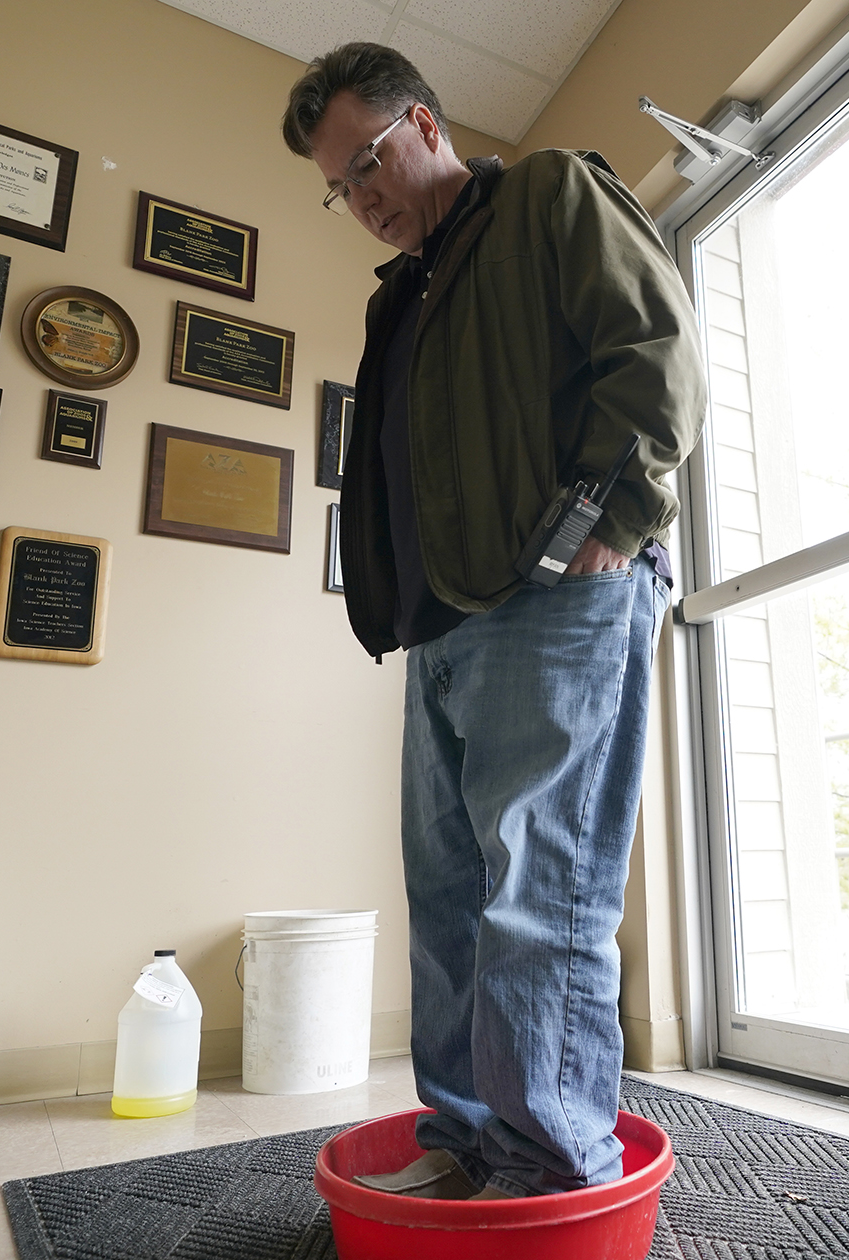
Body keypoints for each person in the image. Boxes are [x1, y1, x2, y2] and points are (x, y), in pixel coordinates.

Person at [282, 44, 705, 1200]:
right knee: (451, 894)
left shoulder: (548, 193)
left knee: (538, 889)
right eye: (340, 185)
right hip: (442, 625)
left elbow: (656, 345)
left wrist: (612, 517)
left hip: (556, 595)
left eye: (365, 162)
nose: (359, 198)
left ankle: (548, 1162)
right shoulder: (405, 291)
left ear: (423, 122)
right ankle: (470, 1136)